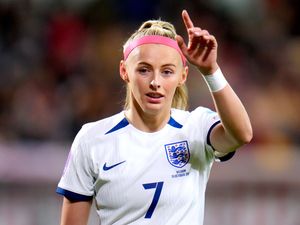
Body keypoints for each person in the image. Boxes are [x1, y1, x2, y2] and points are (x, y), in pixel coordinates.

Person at [56, 9, 252, 225]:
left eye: (167, 71)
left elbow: (242, 134)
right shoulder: (92, 138)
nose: (155, 82)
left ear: (182, 76)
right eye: (144, 70)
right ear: (124, 71)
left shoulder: (196, 126)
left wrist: (211, 71)